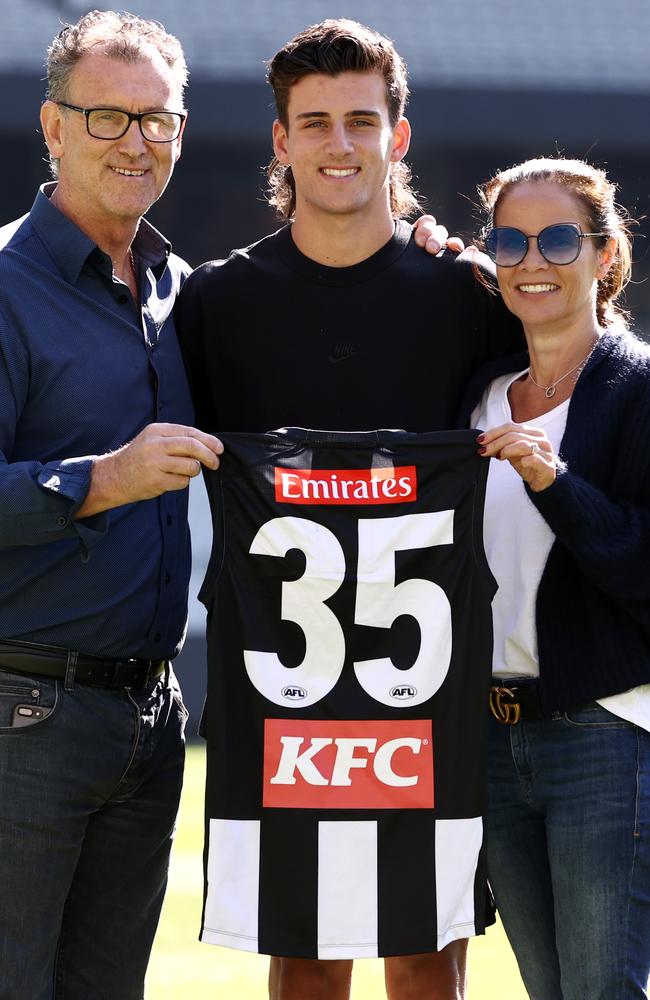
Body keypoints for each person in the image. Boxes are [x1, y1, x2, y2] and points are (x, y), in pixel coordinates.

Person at [176, 19, 522, 1000]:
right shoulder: (215, 302)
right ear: (280, 141)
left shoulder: (466, 294)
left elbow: (574, 373)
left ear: (396, 137)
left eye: (360, 121)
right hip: (285, 682)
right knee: (307, 949)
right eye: (314, 122)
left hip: (431, 684)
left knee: (424, 955)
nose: (338, 144)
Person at [0, 11, 223, 999]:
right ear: (52, 128)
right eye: (106, 118)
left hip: (151, 716)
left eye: (158, 120)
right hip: (20, 716)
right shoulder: (4, 287)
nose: (136, 142)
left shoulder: (182, 292)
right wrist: (101, 478)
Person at [464, 157, 650, 999]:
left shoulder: (640, 387)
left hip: (605, 736)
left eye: (558, 239)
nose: (531, 260)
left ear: (607, 257)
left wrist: (554, 483)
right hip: (495, 740)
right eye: (510, 241)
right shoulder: (480, 394)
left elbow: (640, 566)